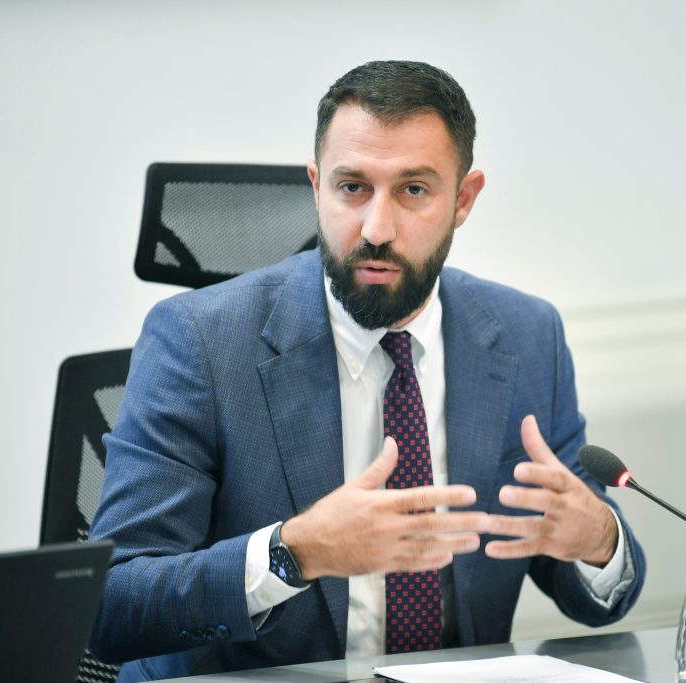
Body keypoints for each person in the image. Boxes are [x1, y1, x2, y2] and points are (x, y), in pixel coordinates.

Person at [88, 60, 645, 681]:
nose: (377, 229)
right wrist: (293, 553)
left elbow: (596, 597)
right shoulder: (198, 341)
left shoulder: (526, 335)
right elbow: (112, 603)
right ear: (316, 186)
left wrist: (598, 539)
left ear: (463, 199)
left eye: (414, 190)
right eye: (352, 188)